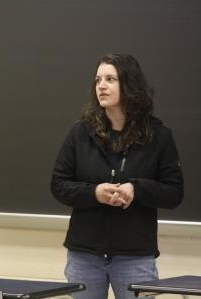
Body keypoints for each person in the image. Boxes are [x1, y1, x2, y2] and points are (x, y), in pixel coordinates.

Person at [50, 53, 183, 299]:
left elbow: (174, 193)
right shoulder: (80, 133)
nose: (101, 85)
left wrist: (137, 189)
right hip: (84, 256)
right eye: (98, 79)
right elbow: (58, 185)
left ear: (130, 85)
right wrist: (94, 193)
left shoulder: (159, 136)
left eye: (110, 79)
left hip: (134, 257)